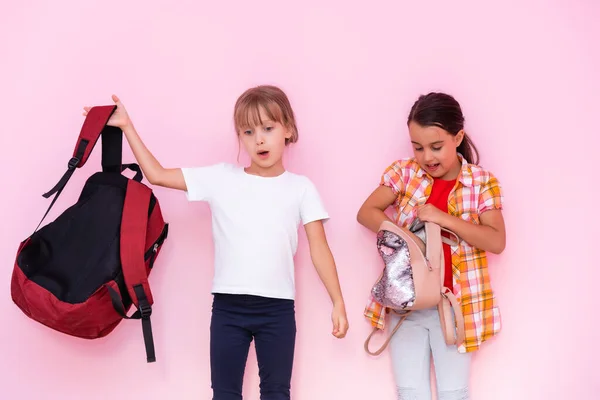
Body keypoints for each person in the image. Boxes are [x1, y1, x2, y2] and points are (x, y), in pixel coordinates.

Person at [84, 85, 349, 400]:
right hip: (228, 309)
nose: (259, 139)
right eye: (248, 131)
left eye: (268, 128)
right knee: (224, 394)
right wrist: (127, 126)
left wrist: (338, 301)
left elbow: (319, 248)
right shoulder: (221, 178)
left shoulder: (301, 188)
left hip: (277, 310)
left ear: (288, 130)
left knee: (277, 393)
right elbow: (156, 174)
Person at [357, 92, 506, 400]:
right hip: (407, 303)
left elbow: (496, 240)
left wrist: (442, 219)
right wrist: (409, 240)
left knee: (454, 393)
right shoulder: (404, 173)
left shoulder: (481, 182)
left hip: (454, 306)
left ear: (458, 137)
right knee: (410, 393)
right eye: (418, 147)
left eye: (436, 147)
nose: (427, 157)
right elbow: (366, 213)